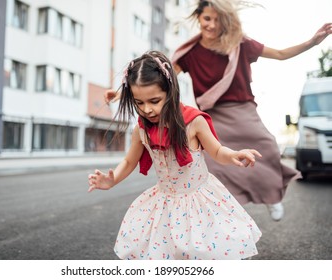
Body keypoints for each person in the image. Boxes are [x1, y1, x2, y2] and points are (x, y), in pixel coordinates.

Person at [105, 0, 332, 221]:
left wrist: (312, 42)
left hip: (242, 109)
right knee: (215, 163)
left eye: (217, 19)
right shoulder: (190, 52)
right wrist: (119, 93)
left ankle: (271, 196)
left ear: (225, 21)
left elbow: (281, 54)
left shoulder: (240, 44)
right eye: (206, 18)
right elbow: (157, 81)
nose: (211, 25)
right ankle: (222, 210)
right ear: (198, 18)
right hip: (211, 114)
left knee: (268, 147)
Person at [89, 51, 262, 260]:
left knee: (202, 251)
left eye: (154, 100)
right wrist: (112, 179)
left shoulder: (193, 122)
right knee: (167, 253)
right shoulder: (141, 130)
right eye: (139, 103)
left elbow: (217, 150)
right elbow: (129, 161)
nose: (147, 109)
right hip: (165, 204)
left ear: (170, 91)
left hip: (200, 201)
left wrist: (234, 154)